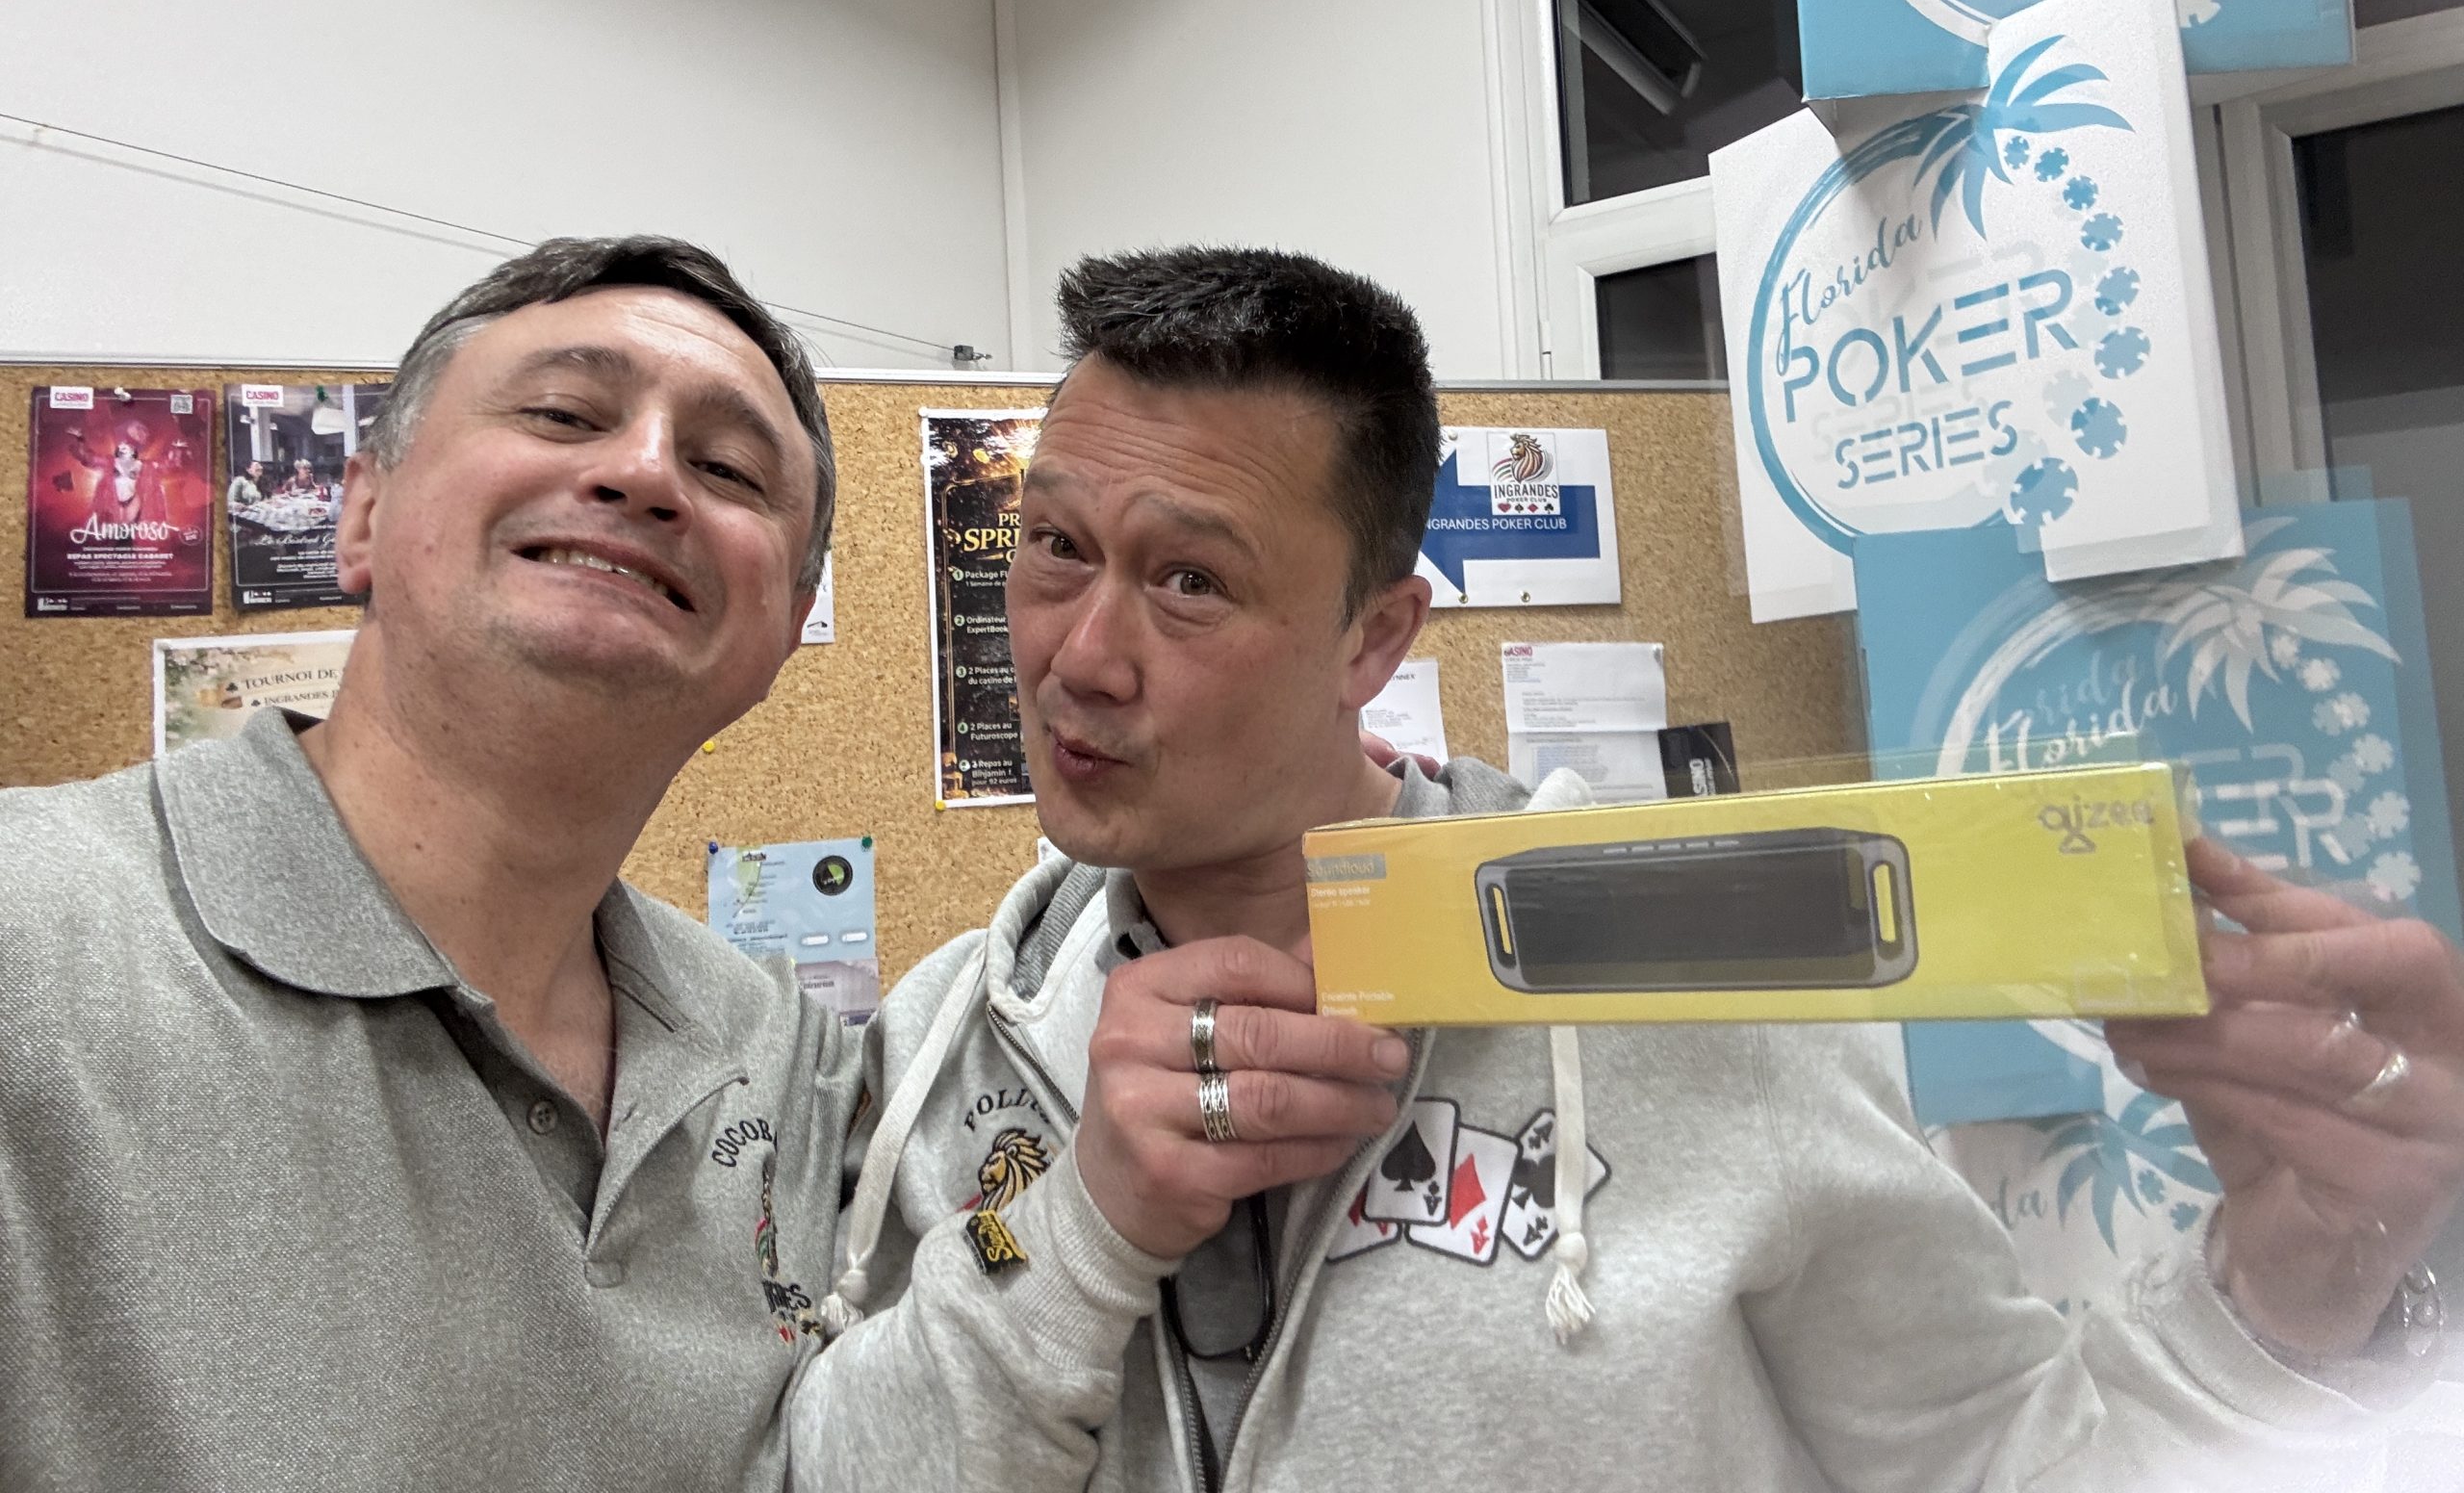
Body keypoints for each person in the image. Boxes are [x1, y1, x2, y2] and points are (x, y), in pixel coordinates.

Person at [792, 246, 2464, 1492]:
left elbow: (2016, 1461)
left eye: (1190, 583)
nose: (1079, 655)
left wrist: (2292, 1293)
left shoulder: (1681, 988)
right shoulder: (952, 1042)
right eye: (1057, 548)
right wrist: (1072, 1230)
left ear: (1374, 637)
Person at [0, 236, 860, 1491]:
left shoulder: (779, 1060)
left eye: (729, 468)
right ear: (361, 516)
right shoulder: (32, 940)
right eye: (563, 412)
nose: (644, 471)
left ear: (783, 629)